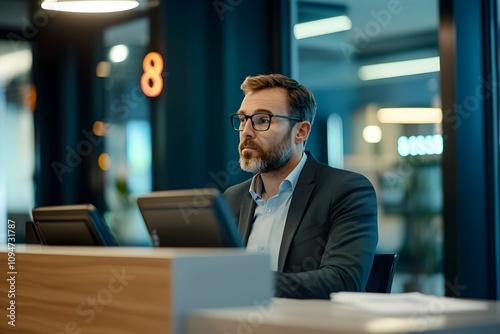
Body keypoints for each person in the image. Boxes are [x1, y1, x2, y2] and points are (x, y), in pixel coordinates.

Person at [223, 73, 378, 299]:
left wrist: (250, 282)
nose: (246, 131)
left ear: (301, 132)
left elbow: (344, 279)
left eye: (262, 120)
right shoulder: (231, 198)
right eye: (243, 119)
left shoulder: (347, 190)